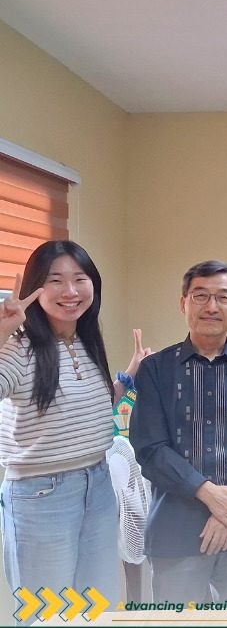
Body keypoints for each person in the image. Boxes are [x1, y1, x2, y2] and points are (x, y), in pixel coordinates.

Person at [130, 260, 227, 602]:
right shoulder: (155, 369)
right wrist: (210, 495)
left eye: (223, 297)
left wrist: (226, 513)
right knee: (177, 622)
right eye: (200, 296)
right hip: (175, 529)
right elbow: (151, 448)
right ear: (183, 303)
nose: (212, 306)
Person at [0, 241, 122, 606]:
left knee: (96, 605)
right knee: (47, 611)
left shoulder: (86, 340)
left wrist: (129, 378)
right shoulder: (18, 347)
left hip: (98, 484)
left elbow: (87, 411)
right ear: (35, 288)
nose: (70, 291)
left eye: (80, 279)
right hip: (42, 493)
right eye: (55, 280)